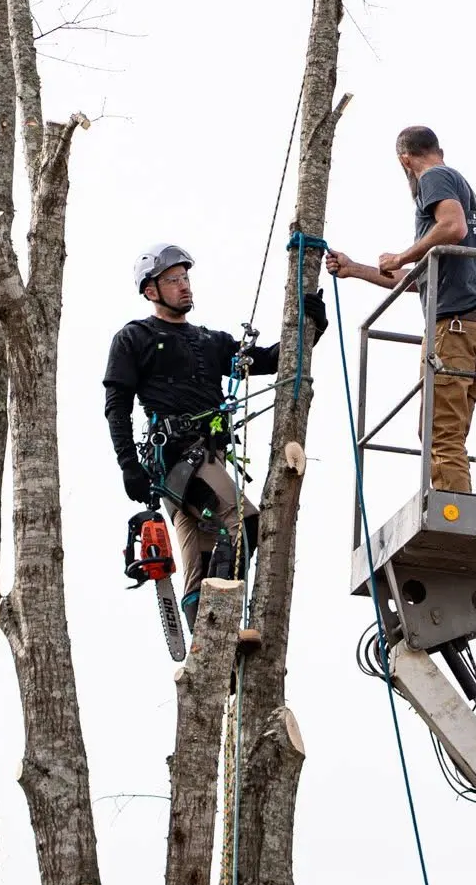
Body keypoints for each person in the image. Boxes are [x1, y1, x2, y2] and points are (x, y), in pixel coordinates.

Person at [104, 242, 325, 615]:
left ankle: (205, 651)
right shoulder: (134, 338)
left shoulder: (211, 342)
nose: (184, 286)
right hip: (178, 459)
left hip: (209, 459)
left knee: (204, 560)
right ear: (150, 291)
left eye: (186, 278)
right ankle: (220, 623)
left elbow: (272, 360)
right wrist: (128, 464)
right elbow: (117, 407)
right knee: (245, 522)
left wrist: (311, 326)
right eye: (173, 280)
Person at [324, 125, 476, 494]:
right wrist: (356, 269)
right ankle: (456, 505)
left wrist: (402, 254)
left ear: (405, 160)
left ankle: (454, 516)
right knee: (441, 431)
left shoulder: (433, 177)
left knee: (439, 431)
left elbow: (452, 226)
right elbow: (419, 280)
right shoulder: (458, 187)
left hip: (452, 328)